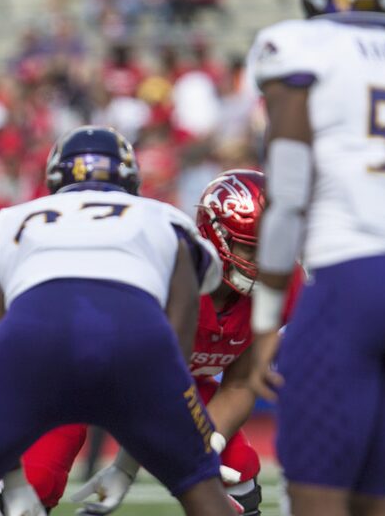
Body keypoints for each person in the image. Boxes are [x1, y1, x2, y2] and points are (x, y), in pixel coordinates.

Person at [0, 125, 237, 516]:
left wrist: (13, 479)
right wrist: (128, 465)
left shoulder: (11, 221)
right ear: (129, 176)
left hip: (31, 337)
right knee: (202, 489)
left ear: (54, 177)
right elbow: (176, 343)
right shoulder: (165, 218)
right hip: (137, 337)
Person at [246, 0, 385, 516]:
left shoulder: (300, 46)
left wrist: (265, 324)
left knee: (320, 496)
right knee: (374, 496)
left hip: (351, 280)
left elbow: (287, 195)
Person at [73, 170, 303, 516]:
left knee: (238, 466)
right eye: (250, 249)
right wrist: (126, 466)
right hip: (97, 376)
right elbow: (145, 383)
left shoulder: (281, 288)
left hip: (178, 381)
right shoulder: (171, 277)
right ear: (215, 235)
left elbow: (240, 381)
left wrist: (208, 445)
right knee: (44, 470)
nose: (263, 266)